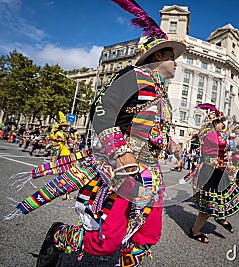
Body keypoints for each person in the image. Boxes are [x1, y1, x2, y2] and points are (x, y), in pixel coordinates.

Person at [29, 7, 187, 266]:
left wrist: (172, 144)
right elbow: (102, 111)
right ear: (158, 55)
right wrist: (120, 151)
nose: (176, 62)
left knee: (148, 234)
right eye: (172, 56)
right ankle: (59, 235)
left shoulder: (160, 92)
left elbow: (152, 129)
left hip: (151, 174)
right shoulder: (134, 76)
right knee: (105, 241)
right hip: (121, 168)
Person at [189, 103, 239, 244]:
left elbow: (224, 137)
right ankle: (195, 230)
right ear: (214, 123)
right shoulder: (210, 135)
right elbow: (226, 142)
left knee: (223, 197)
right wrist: (237, 137)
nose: (223, 125)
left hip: (217, 171)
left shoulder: (214, 134)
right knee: (209, 203)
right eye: (221, 123)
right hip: (209, 172)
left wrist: (233, 127)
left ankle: (220, 217)